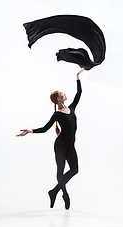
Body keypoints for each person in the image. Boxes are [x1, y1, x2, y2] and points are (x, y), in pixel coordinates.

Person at [16, 68, 84, 209]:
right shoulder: (57, 115)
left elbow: (79, 93)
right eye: (62, 94)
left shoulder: (72, 108)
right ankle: (63, 193)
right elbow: (45, 129)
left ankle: (54, 191)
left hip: (71, 145)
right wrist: (30, 131)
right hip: (60, 145)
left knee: (75, 170)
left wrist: (77, 77)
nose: (65, 94)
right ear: (59, 98)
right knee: (60, 171)